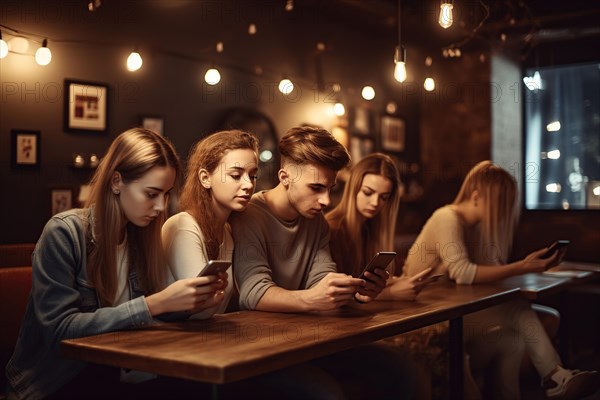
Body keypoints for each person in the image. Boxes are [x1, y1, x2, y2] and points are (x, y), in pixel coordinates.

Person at [5, 128, 222, 400]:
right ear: (117, 181)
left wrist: (193, 302)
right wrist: (156, 303)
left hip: (117, 375)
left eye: (166, 195)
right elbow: (59, 332)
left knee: (201, 389)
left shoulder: (140, 238)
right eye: (152, 193)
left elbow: (144, 315)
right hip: (58, 383)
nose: (160, 207)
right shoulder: (64, 233)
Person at [230, 127, 415, 400]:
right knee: (325, 393)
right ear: (285, 177)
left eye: (330, 189)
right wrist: (312, 299)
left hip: (307, 341)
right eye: (316, 188)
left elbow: (323, 278)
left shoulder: (316, 222)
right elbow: (253, 293)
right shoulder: (249, 216)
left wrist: (357, 292)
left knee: (405, 371)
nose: (326, 201)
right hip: (258, 348)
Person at [402, 160, 600, 399]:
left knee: (513, 341)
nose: (504, 212)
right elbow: (463, 273)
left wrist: (531, 267)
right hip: (427, 317)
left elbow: (484, 272)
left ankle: (548, 381)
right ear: (476, 196)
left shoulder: (473, 227)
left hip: (450, 309)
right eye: (500, 204)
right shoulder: (446, 218)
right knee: (517, 309)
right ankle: (556, 377)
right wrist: (522, 267)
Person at [162, 130, 259, 318]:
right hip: (166, 342)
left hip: (207, 340)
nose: (248, 184)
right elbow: (202, 311)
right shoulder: (183, 227)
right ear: (205, 178)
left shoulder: (227, 232)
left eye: (253, 175)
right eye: (236, 175)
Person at [326, 152, 432, 301]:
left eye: (384, 197)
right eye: (368, 193)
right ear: (353, 189)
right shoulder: (331, 229)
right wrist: (390, 294)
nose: (376, 202)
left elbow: (362, 283)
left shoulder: (370, 228)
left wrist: (394, 282)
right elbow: (334, 295)